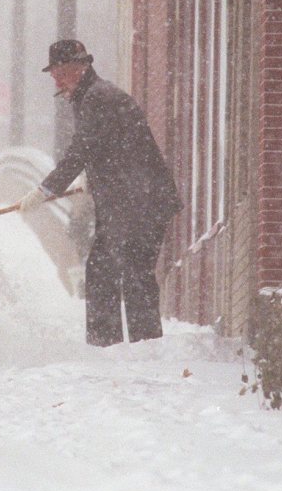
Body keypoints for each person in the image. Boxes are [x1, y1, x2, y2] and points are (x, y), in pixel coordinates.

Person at [20, 40, 182, 348]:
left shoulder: (98, 98)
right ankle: (122, 345)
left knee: (129, 273)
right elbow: (109, 148)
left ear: (81, 68)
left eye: (61, 72)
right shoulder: (95, 96)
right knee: (111, 271)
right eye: (54, 74)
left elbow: (81, 149)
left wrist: (45, 189)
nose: (57, 80)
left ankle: (134, 346)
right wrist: (93, 177)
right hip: (134, 199)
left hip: (139, 201)